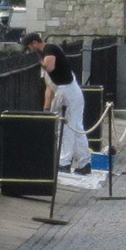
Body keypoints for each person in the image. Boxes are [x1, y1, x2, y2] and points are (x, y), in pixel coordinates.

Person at [39, 46, 90, 178]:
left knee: (65, 129)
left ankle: (64, 162)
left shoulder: (52, 66)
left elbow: (50, 86)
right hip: (72, 94)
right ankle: (84, 163)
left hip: (66, 94)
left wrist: (47, 107)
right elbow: (49, 87)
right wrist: (47, 107)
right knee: (76, 128)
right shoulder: (59, 65)